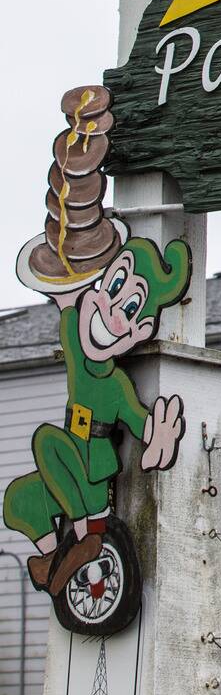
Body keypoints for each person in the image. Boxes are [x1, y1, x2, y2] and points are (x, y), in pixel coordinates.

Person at [4, 237, 190, 597]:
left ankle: (84, 537)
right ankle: (60, 557)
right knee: (18, 501)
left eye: (132, 307)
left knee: (46, 438)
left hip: (91, 474)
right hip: (64, 469)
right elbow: (65, 303)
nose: (113, 311)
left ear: (142, 329)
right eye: (115, 286)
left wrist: (159, 440)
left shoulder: (118, 385)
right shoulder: (77, 348)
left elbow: (141, 422)